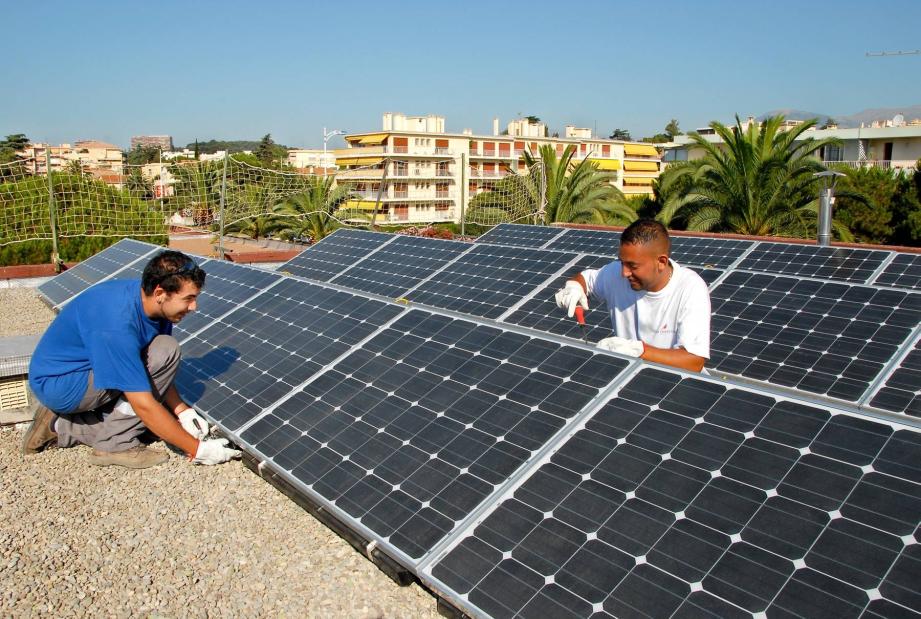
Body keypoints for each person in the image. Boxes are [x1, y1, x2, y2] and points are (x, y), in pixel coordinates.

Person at [22, 249, 241, 469]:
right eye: (189, 298)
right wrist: (198, 450)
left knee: (158, 405)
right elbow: (143, 404)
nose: (194, 307)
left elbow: (158, 365)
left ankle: (67, 423)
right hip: (61, 384)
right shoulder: (117, 325)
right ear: (160, 293)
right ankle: (96, 438)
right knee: (148, 418)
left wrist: (181, 411)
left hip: (79, 372)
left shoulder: (150, 305)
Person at [555, 219, 710, 373]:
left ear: (661, 262)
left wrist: (638, 351)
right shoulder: (615, 273)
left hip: (675, 387)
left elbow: (693, 361)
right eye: (622, 262)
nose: (624, 272)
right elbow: (585, 279)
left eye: (633, 266)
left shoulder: (690, 288)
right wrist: (574, 287)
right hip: (629, 381)